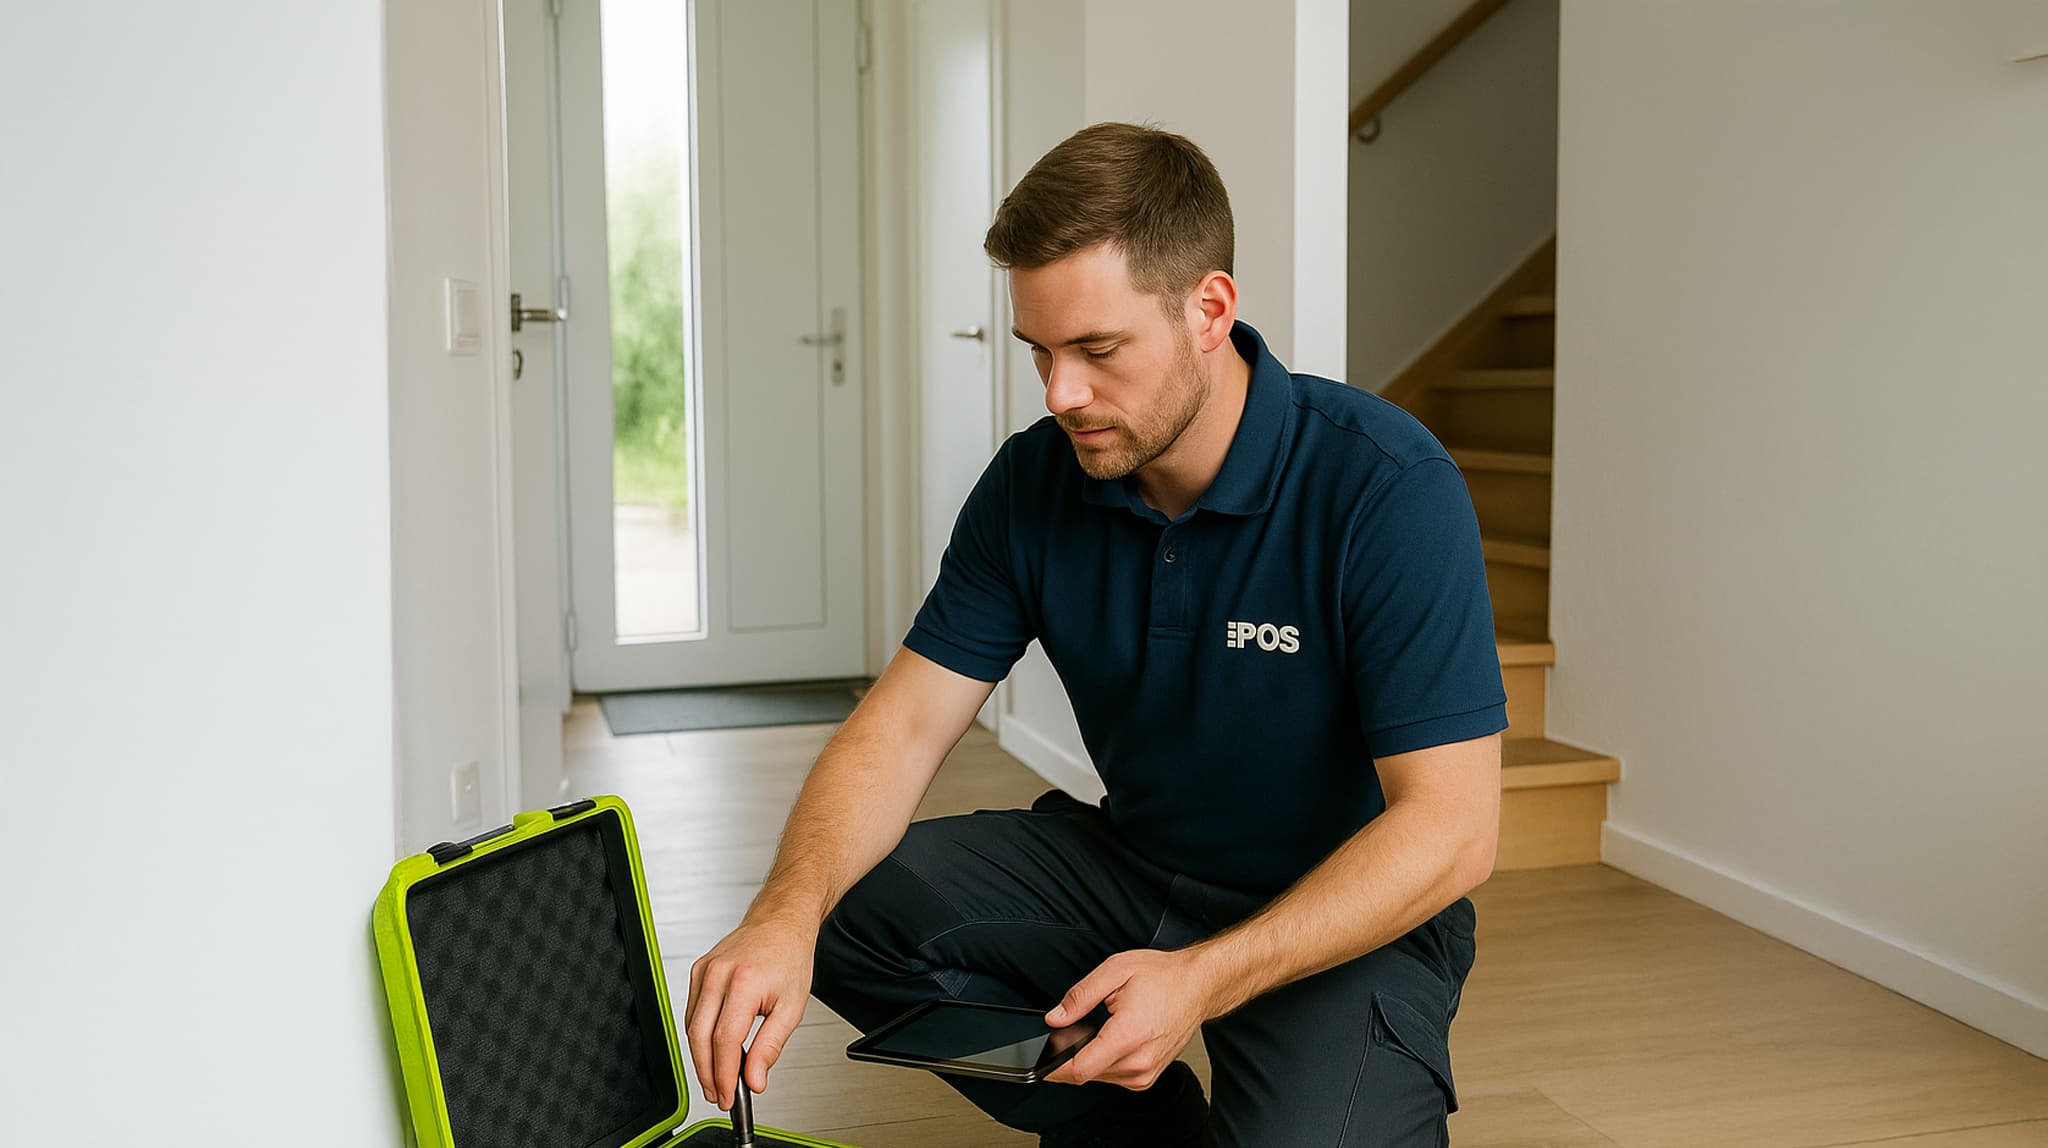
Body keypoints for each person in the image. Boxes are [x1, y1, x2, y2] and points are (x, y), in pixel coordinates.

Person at [685, 121, 1506, 1147]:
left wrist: (1203, 977)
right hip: (1136, 866)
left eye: (1096, 350)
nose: (1058, 392)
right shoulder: (1035, 483)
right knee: (839, 912)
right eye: (1039, 350)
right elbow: (898, 729)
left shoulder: (1384, 487)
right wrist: (780, 914)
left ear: (1209, 309)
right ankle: (1132, 1124)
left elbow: (1453, 828)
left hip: (1342, 922)